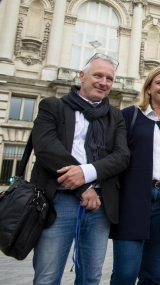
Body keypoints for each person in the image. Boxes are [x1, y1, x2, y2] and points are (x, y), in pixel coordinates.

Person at [30, 53, 130, 284]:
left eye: (109, 78)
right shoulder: (53, 106)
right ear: (82, 76)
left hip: (100, 205)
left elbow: (122, 156)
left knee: (91, 276)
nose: (103, 82)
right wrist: (84, 186)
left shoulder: (115, 115)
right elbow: (46, 148)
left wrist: (86, 174)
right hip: (58, 201)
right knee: (47, 275)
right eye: (98, 75)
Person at [110, 66, 160, 284]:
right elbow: (115, 158)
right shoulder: (129, 115)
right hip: (132, 200)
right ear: (148, 88)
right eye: (159, 83)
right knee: (125, 273)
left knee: (152, 274)